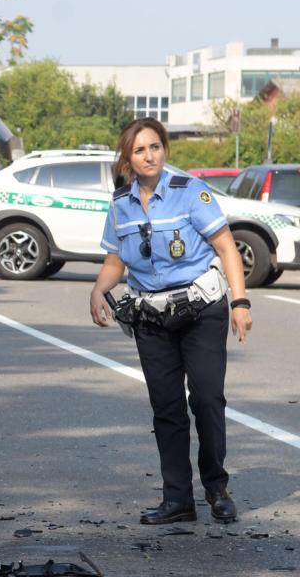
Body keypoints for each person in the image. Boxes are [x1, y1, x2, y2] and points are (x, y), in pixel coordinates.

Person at [89, 117, 252, 526]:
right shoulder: (121, 204)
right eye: (140, 150)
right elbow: (115, 259)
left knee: (207, 399)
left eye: (155, 147)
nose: (149, 156)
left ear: (165, 150)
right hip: (152, 317)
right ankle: (178, 498)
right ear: (128, 157)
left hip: (201, 310)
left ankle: (216, 489)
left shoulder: (190, 193)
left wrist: (241, 302)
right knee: (167, 408)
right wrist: (97, 290)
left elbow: (227, 248)